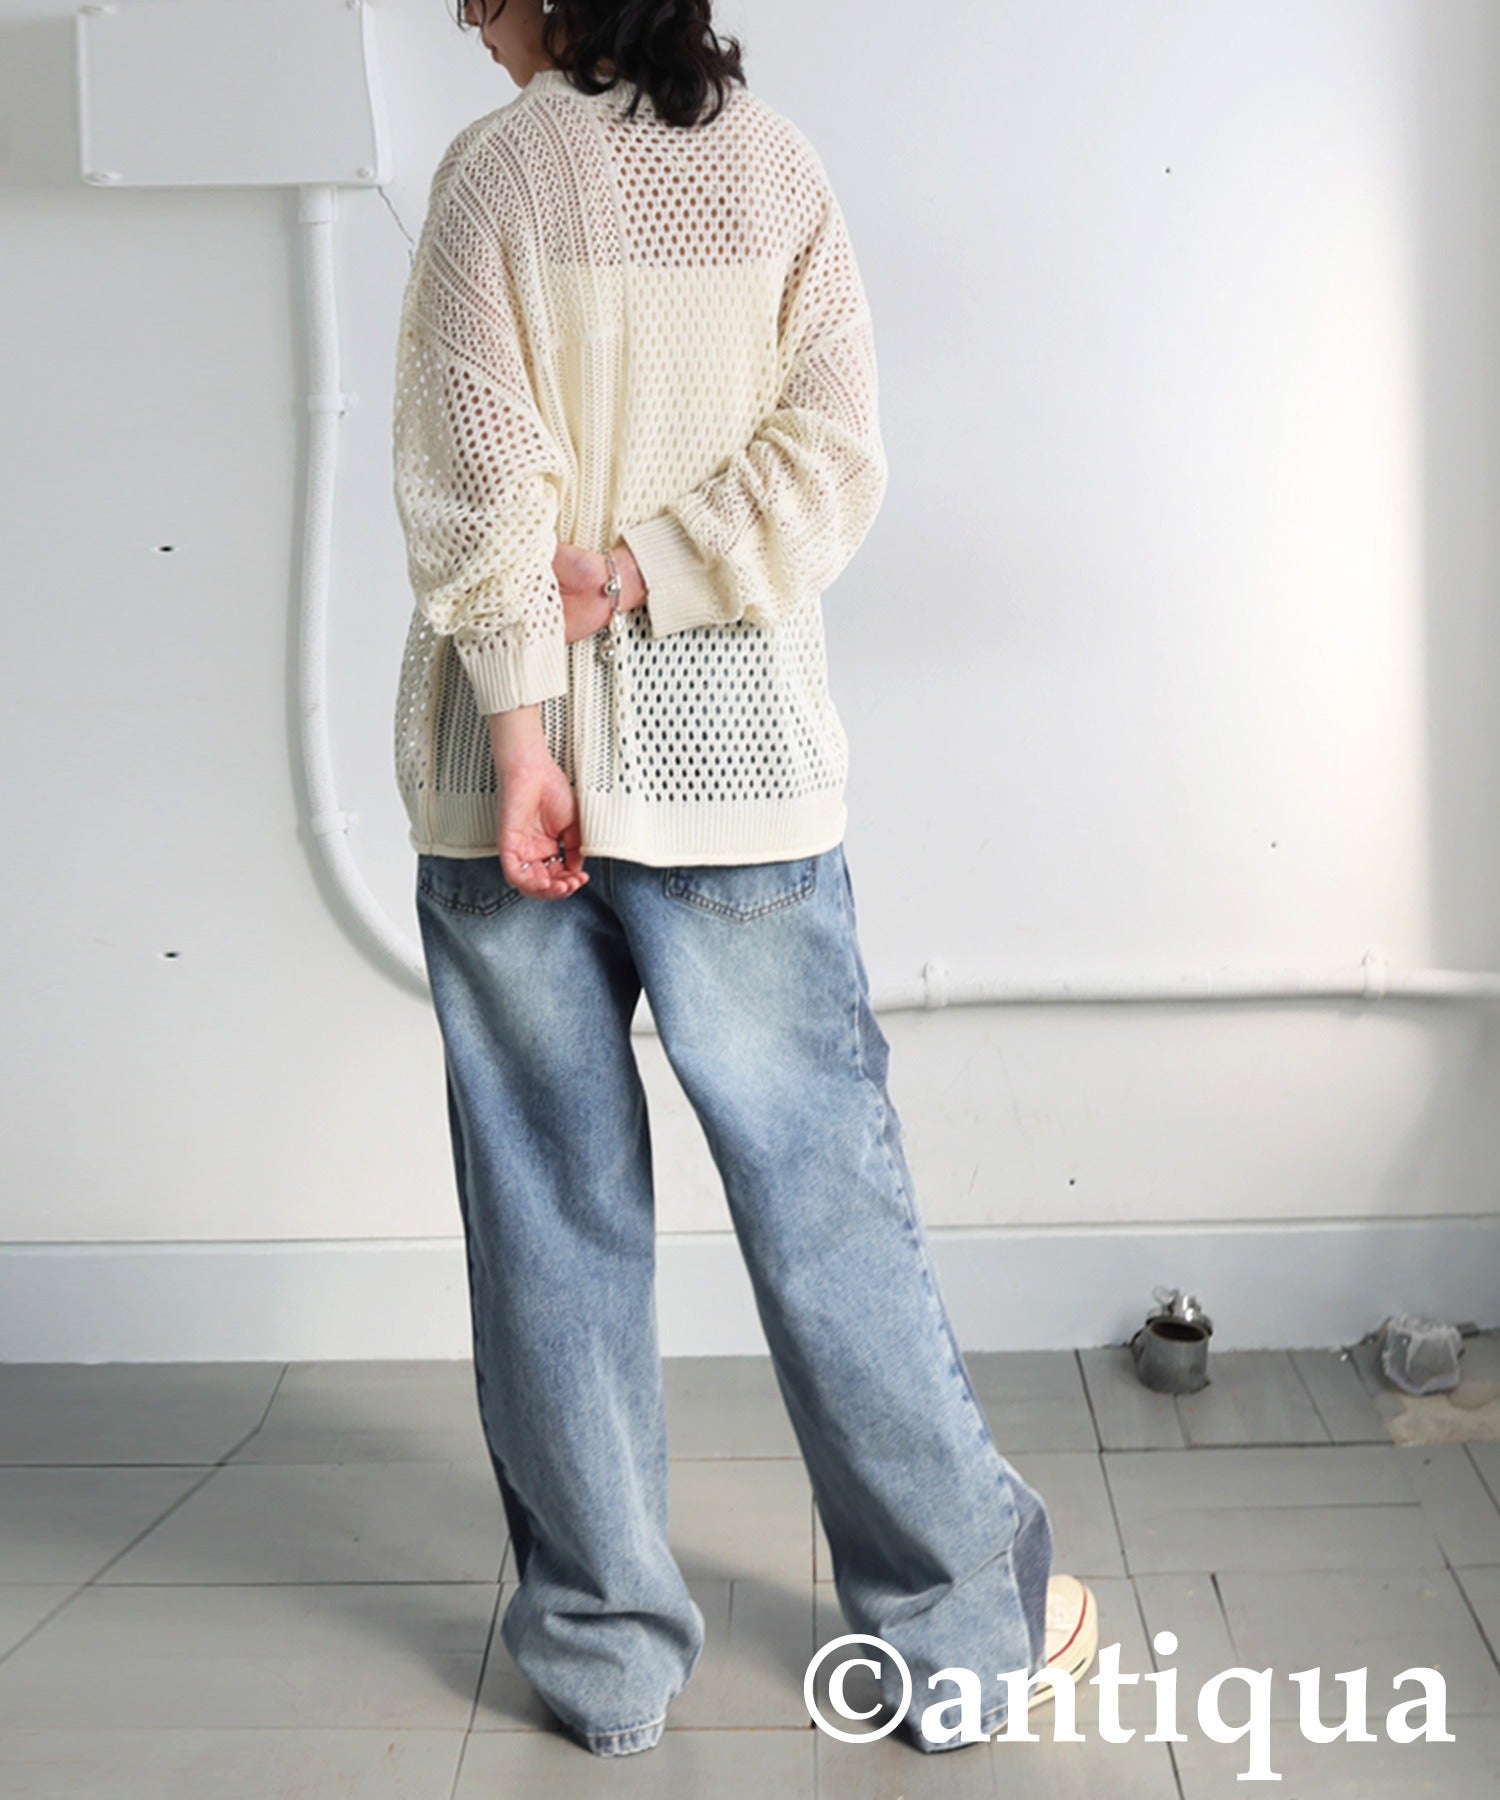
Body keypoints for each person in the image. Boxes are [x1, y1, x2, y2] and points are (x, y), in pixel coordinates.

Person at [390, 0, 1098, 1758]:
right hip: (741, 775)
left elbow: (480, 486)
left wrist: (529, 728)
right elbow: (833, 461)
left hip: (502, 780)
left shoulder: (495, 176)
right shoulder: (775, 172)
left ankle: (604, 1658)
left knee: (549, 1212)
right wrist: (650, 568)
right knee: (823, 1195)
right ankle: (957, 1636)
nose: (461, 13)